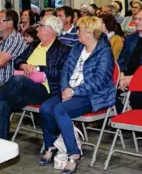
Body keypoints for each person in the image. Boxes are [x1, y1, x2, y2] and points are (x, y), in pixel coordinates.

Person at [39, 16, 116, 174]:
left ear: (89, 32)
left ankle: (73, 153)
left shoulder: (104, 52)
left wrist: (74, 91)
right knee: (46, 108)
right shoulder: (77, 48)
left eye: (79, 29)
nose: (76, 32)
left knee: (60, 110)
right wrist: (65, 88)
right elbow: (65, 71)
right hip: (69, 91)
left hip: (92, 96)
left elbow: (99, 82)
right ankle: (51, 145)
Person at [0, 15, 71, 139]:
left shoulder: (63, 49)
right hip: (24, 89)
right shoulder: (34, 45)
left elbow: (60, 73)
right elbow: (17, 61)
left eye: (40, 26)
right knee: (2, 103)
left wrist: (37, 68)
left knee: (18, 80)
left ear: (51, 29)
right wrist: (23, 65)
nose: (37, 29)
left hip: (45, 90)